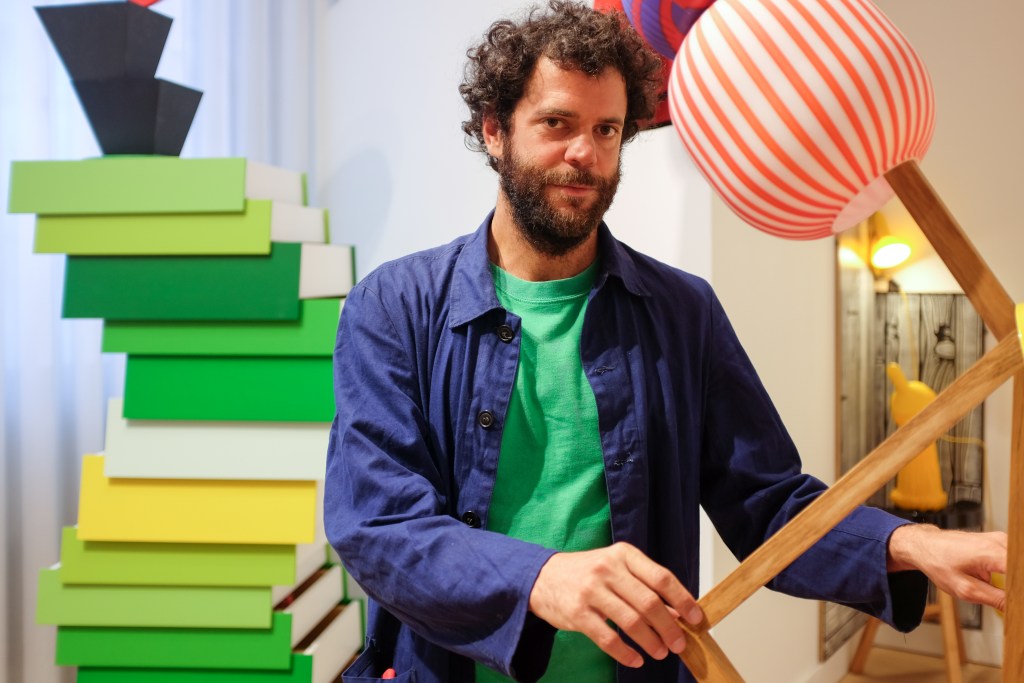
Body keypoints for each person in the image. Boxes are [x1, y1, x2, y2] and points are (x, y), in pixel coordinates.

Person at [324, 2, 1008, 681]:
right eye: (557, 123)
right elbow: (378, 526)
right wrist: (543, 578)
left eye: (607, 129)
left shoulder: (683, 313)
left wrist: (909, 543)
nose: (585, 154)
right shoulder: (394, 306)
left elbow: (767, 502)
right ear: (495, 130)